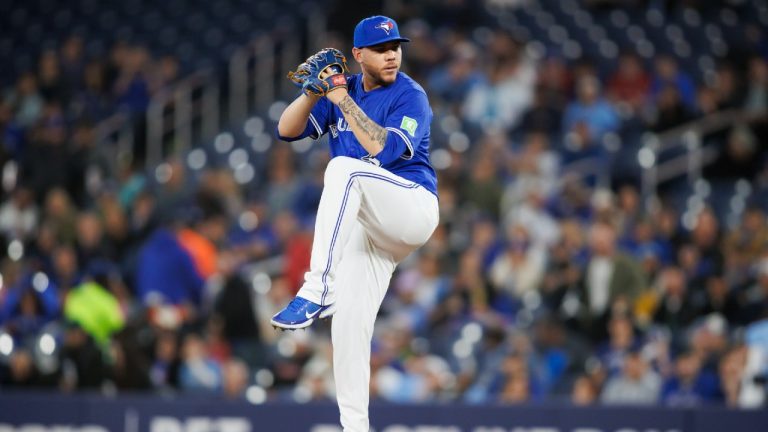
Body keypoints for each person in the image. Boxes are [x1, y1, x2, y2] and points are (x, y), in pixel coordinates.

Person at [271, 15, 439, 432]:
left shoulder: (410, 95)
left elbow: (382, 149)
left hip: (411, 207)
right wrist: (313, 93)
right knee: (348, 325)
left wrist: (341, 98)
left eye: (396, 47)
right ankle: (355, 427)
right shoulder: (340, 93)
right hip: (372, 229)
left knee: (343, 169)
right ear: (358, 55)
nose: (392, 55)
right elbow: (285, 129)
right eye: (382, 49)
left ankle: (316, 288)